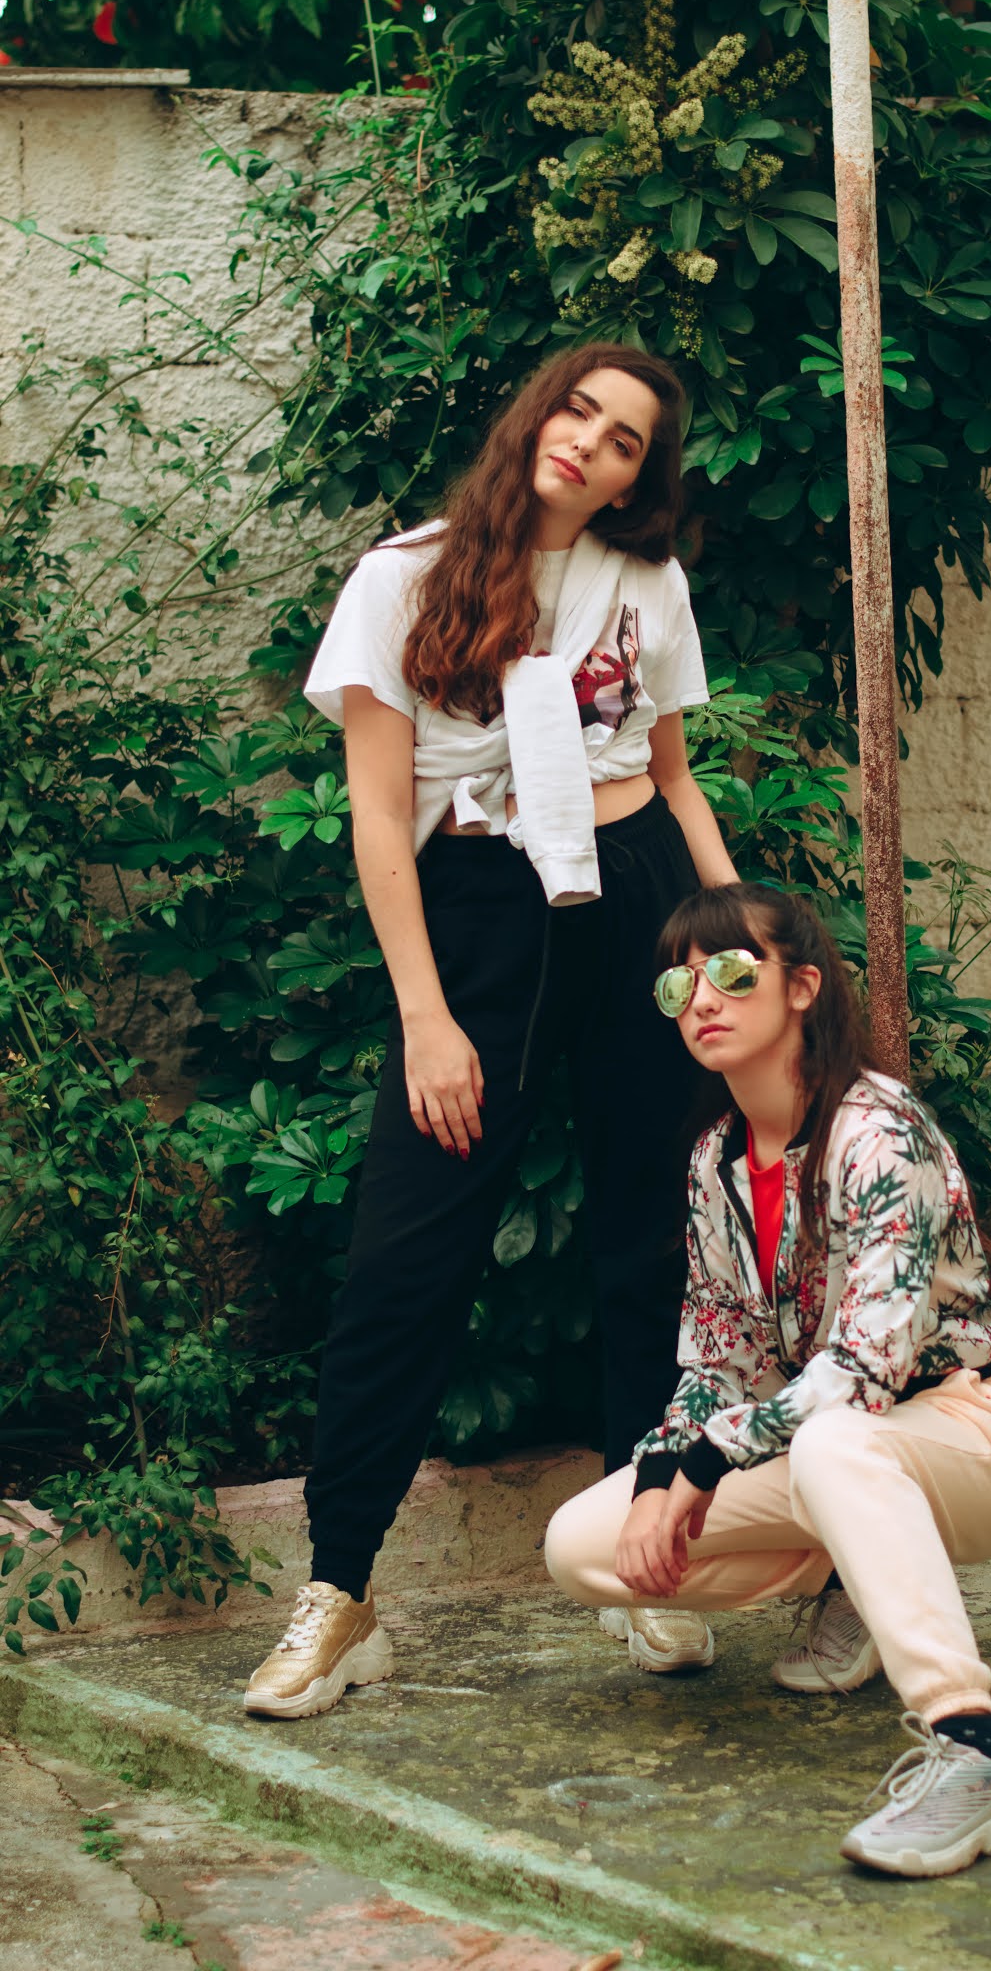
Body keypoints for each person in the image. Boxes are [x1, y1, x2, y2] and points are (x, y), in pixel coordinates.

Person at [244, 346, 737, 1719]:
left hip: (637, 901)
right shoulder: (403, 577)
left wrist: (734, 942)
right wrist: (425, 1014)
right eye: (579, 409)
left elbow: (675, 777)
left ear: (638, 479)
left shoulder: (644, 585)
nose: (591, 441)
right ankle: (340, 1592)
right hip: (475, 919)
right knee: (406, 1258)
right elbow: (377, 813)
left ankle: (646, 1560)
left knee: (652, 1238)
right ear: (536, 415)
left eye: (626, 439)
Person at [544, 883, 991, 1879]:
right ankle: (859, 1572)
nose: (703, 998)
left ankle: (977, 1753)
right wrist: (661, 1474)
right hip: (832, 1447)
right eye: (678, 985)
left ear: (803, 987)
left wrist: (707, 1463)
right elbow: (715, 1357)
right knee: (584, 1544)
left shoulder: (882, 1132)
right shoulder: (716, 1162)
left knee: (833, 1438)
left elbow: (865, 1366)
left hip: (969, 1431)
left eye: (734, 972)